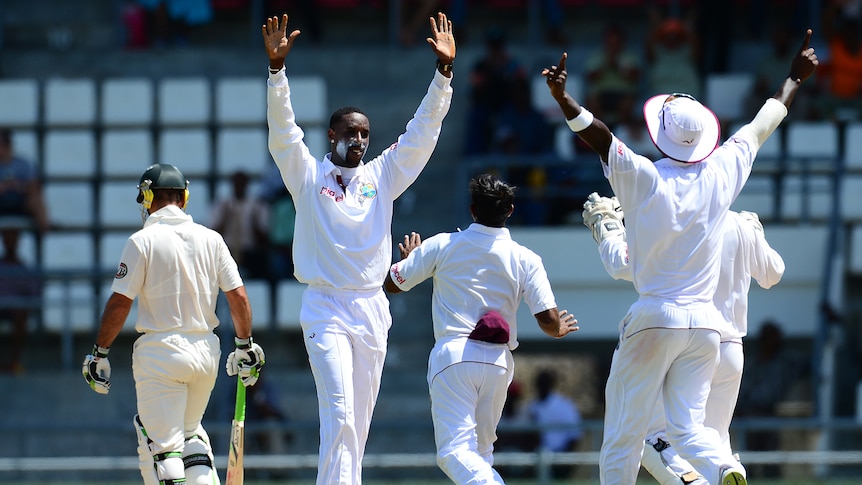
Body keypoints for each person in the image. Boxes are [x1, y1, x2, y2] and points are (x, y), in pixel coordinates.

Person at [541, 26, 818, 485]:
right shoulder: (723, 172)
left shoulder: (645, 178)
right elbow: (763, 123)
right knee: (689, 429)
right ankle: (727, 466)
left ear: (661, 133)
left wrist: (563, 98)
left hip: (654, 316)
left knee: (624, 434)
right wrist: (794, 77)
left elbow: (602, 137)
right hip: (707, 326)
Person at [261, 11, 456, 484]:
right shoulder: (307, 177)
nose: (359, 140)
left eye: (365, 134)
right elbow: (283, 134)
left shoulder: (380, 177)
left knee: (359, 426)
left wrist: (443, 75)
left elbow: (420, 135)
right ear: (331, 135)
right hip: (325, 306)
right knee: (341, 414)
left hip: (372, 307)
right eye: (350, 132)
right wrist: (277, 73)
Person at [383, 173, 580, 485]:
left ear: (472, 209)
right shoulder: (526, 258)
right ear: (510, 210)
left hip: (454, 356)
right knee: (480, 454)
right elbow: (547, 318)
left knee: (452, 452)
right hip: (499, 362)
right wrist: (557, 329)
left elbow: (393, 285)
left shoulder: (444, 244)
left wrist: (412, 260)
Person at [81, 163, 266, 485]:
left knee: (160, 449)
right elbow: (238, 296)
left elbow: (120, 302)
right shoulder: (212, 239)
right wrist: (245, 345)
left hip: (161, 354)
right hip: (205, 354)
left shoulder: (142, 241)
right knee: (191, 435)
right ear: (185, 198)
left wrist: (99, 353)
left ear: (148, 196)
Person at [582, 194, 786, 485]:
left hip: (686, 337)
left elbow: (624, 265)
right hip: (729, 348)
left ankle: (703, 479)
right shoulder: (739, 223)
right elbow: (773, 273)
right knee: (710, 441)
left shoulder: (679, 219)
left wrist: (610, 229)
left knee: (654, 437)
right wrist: (756, 236)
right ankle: (724, 468)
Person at [209, 170, 270, 280]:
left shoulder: (257, 206)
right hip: (227, 249)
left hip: (249, 252)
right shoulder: (222, 205)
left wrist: (254, 222)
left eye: (242, 183)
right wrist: (225, 219)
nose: (239, 186)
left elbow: (264, 238)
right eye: (237, 183)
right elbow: (212, 234)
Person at [525, 368, 583, 479]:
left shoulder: (565, 406)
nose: (542, 386)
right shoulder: (532, 406)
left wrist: (565, 459)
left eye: (545, 383)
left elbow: (575, 435)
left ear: (551, 385)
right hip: (538, 458)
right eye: (540, 383)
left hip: (560, 457)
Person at [583, 24, 642, 127]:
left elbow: (636, 76)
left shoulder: (630, 56)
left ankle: (619, 131)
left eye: (616, 42)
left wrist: (618, 66)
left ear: (622, 42)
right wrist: (606, 65)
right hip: (601, 93)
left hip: (623, 93)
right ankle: (600, 131)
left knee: (627, 104)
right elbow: (589, 78)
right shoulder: (597, 56)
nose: (613, 46)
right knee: (592, 102)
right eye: (610, 42)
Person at [0, 228, 41, 373]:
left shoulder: (24, 269)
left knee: (21, 316)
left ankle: (13, 363)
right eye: (6, 236)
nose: (10, 240)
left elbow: (34, 296)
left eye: (13, 236)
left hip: (16, 311)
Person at [0, 128, 49, 234]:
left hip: (21, 204)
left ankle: (45, 228)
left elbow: (34, 186)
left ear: (7, 144)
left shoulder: (24, 164)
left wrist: (17, 186)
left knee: (35, 199)